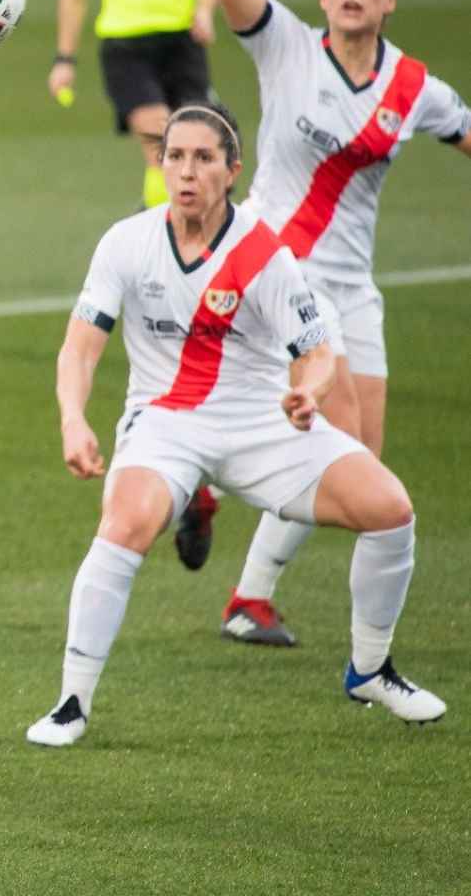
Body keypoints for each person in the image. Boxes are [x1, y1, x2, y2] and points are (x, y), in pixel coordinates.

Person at [26, 103, 443, 748]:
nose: (186, 171)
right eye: (175, 156)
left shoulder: (262, 253)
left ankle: (370, 670)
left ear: (233, 170)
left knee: (390, 509)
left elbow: (315, 350)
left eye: (203, 158)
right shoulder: (126, 242)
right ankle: (71, 703)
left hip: (258, 419)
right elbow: (79, 348)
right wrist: (73, 419)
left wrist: (307, 392)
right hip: (165, 420)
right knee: (128, 521)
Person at [186, 0, 471, 645]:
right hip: (280, 270)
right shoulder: (285, 45)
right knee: (331, 449)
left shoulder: (414, 88)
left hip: (353, 286)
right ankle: (243, 581)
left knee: (361, 469)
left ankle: (227, 533)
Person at [49, 0, 218, 209]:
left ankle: (178, 227)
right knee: (164, 144)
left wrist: (205, 10)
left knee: (196, 149)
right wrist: (64, 59)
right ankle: (160, 232)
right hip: (125, 48)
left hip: (184, 45)